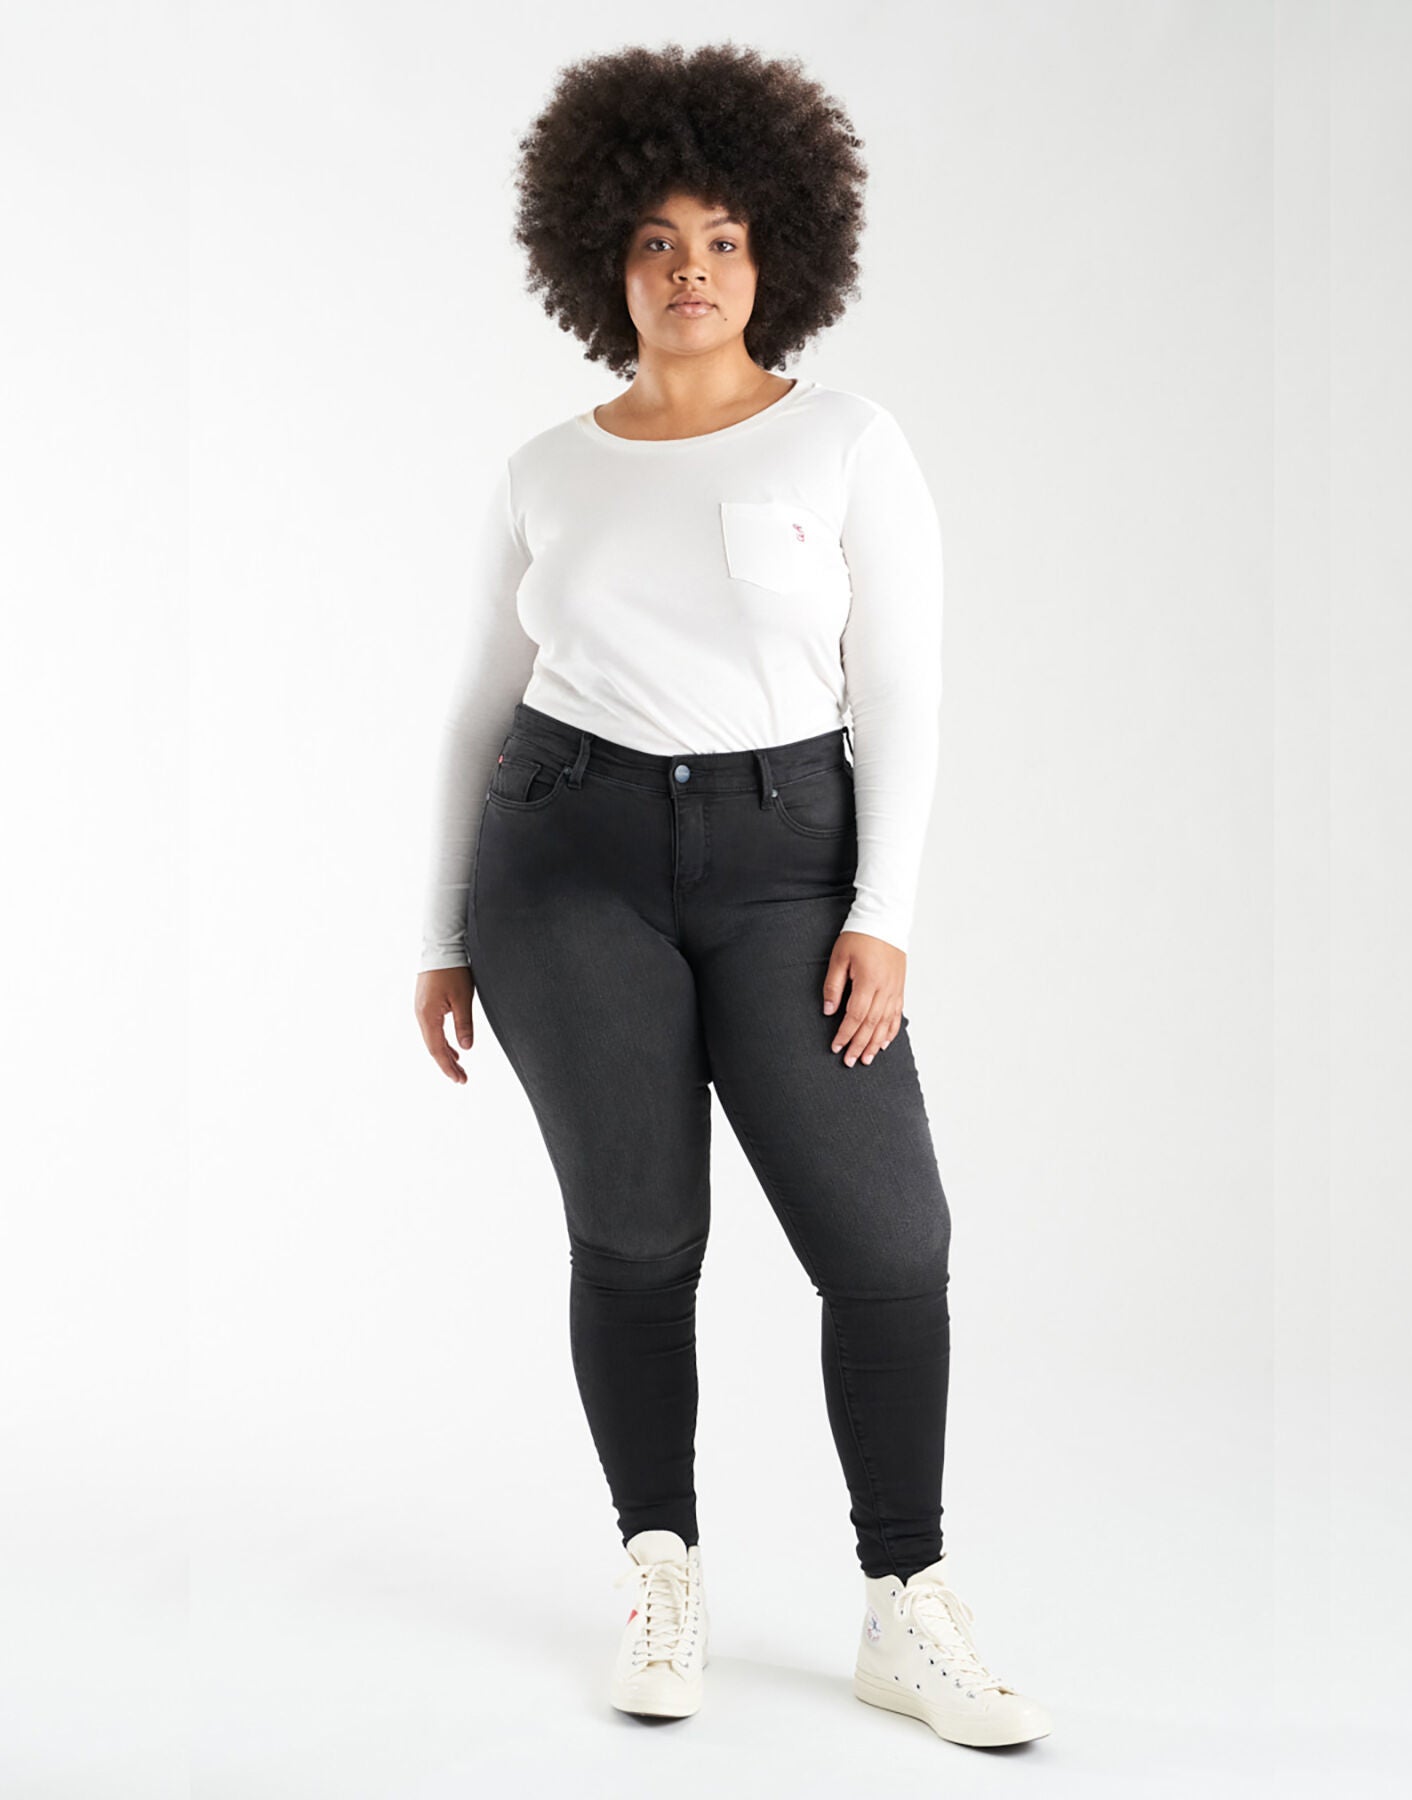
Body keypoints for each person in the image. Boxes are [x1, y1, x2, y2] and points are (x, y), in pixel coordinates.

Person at [413, 42, 1051, 1749]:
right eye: (654, 241)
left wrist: (883, 911)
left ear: (778, 257)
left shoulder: (845, 442)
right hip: (568, 863)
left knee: (889, 1243)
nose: (689, 268)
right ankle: (661, 1567)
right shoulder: (548, 470)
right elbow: (476, 712)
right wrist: (439, 934)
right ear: (601, 263)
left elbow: (900, 691)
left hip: (791, 869)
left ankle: (905, 1600)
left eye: (722, 238)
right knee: (637, 1237)